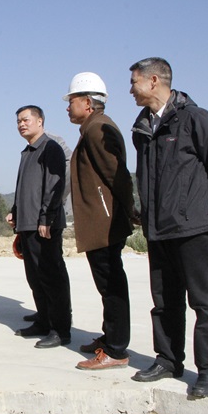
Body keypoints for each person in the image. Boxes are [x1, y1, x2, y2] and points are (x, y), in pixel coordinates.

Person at [128, 57, 208, 398]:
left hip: (193, 230)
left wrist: (201, 209)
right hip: (158, 230)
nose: (130, 90)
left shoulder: (194, 118)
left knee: (204, 303)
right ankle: (168, 359)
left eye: (134, 82)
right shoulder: (143, 127)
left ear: (154, 80)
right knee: (164, 302)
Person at [63, 72, 137, 370]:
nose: (67, 107)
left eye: (71, 101)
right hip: (102, 220)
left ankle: (116, 350)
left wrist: (129, 210)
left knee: (111, 285)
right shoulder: (92, 128)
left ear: (87, 103)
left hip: (105, 222)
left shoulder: (97, 129)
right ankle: (109, 339)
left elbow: (117, 175)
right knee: (107, 284)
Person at [6, 105, 72, 349]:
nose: (21, 124)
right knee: (35, 277)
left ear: (40, 121)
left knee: (52, 277)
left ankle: (60, 330)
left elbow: (55, 186)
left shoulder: (50, 148)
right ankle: (44, 321)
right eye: (18, 121)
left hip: (43, 225)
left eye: (26, 120)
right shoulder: (27, 151)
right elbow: (24, 187)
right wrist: (15, 211)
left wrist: (47, 218)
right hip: (27, 223)